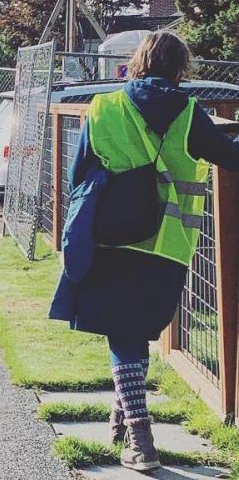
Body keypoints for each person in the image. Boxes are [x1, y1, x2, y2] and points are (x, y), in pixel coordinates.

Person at [50, 31, 239, 471]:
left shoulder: (104, 109)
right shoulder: (190, 114)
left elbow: (80, 176)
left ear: (137, 63)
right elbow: (230, 157)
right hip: (167, 246)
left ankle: (140, 438)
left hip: (113, 239)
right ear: (180, 70)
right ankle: (124, 421)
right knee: (135, 334)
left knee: (125, 335)